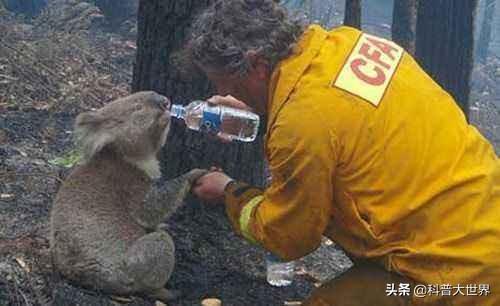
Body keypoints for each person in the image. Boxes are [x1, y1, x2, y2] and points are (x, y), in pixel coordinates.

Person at [178, 0, 500, 305]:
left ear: (256, 66)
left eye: (226, 83)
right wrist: (266, 111)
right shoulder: (347, 44)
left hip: (458, 279)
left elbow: (288, 236)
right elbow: (338, 125)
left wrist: (229, 191)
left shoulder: (301, 123)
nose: (222, 93)